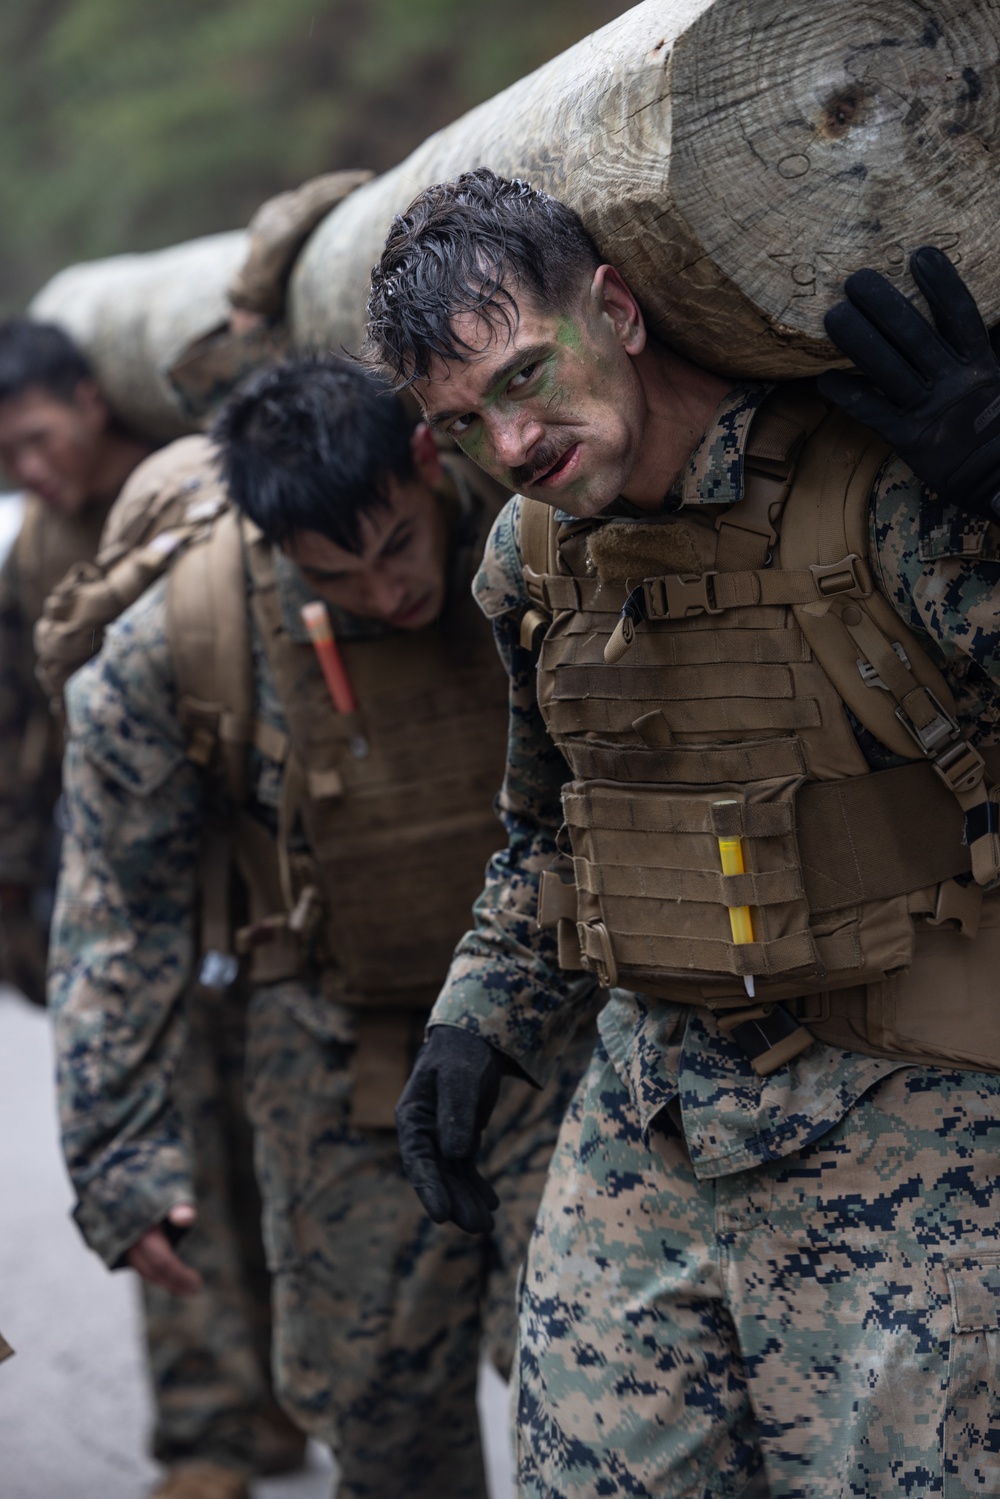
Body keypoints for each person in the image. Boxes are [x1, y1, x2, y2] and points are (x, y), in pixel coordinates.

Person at [367, 168, 1000, 1496]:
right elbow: (545, 829)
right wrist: (476, 1019)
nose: (518, 437)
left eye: (532, 373)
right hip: (650, 1113)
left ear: (620, 309)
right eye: (471, 417)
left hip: (913, 1117)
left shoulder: (877, 498)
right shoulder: (532, 561)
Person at [49, 354, 592, 1499]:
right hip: (343, 1056)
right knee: (378, 1411)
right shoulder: (182, 638)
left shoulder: (547, 530)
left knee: (593, 1389)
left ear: (419, 461)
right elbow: (115, 918)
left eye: (396, 543)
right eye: (334, 573)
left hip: (566, 1037)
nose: (385, 590)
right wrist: (120, 1158)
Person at [0, 318, 152, 1005]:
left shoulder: (181, 487)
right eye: (10, 454)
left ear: (92, 402)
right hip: (107, 849)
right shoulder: (32, 548)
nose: (30, 470)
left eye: (39, 439)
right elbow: (18, 720)